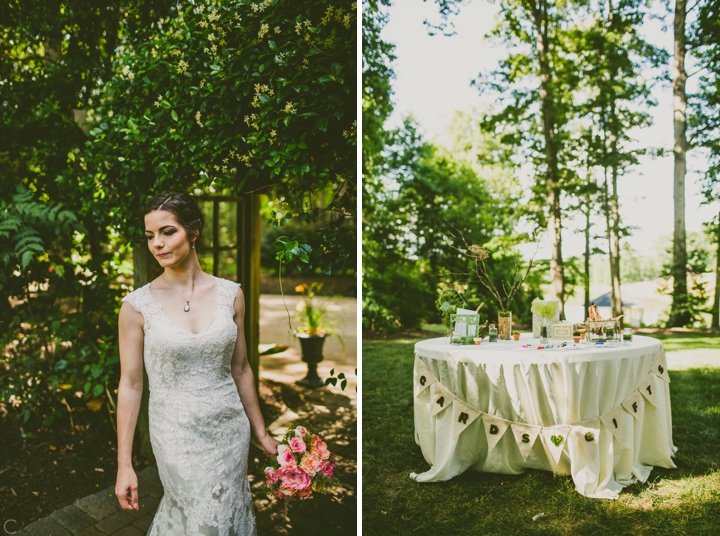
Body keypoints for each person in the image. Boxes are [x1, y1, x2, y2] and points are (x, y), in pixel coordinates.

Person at [114, 191, 279, 535]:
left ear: (194, 231)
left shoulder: (231, 294)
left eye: (167, 231)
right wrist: (124, 465)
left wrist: (261, 432)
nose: (157, 243)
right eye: (150, 236)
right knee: (202, 519)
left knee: (221, 516)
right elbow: (130, 384)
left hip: (229, 430)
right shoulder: (135, 307)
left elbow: (241, 368)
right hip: (175, 436)